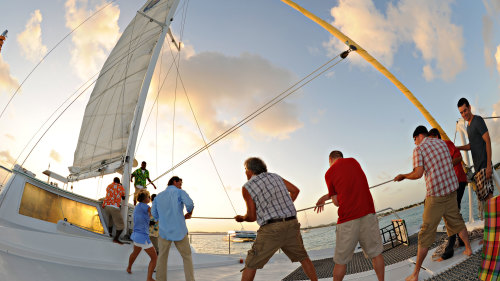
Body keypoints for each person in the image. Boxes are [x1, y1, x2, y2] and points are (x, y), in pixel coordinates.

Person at [394, 125, 472, 281]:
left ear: (418, 137)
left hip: (435, 196)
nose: (415, 143)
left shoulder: (419, 149)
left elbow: (418, 174)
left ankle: (415, 274)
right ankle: (468, 249)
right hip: (451, 191)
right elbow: (450, 162)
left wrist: (403, 175)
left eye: (414, 140)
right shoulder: (442, 143)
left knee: (425, 233)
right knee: (456, 220)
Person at [234, 157, 318, 281]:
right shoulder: (275, 177)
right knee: (303, 257)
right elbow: (295, 191)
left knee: (251, 263)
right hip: (291, 224)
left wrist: (242, 218)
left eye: (245, 169)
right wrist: (284, 207)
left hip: (271, 229)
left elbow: (252, 217)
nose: (245, 172)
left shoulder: (247, 187)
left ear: (250, 170)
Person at [315, 150, 385, 281]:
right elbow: (352, 186)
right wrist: (326, 196)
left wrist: (328, 196)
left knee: (341, 262)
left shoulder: (329, 173)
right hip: (368, 213)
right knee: (376, 254)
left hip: (348, 219)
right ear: (342, 157)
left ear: (330, 160)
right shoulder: (354, 162)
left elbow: (336, 202)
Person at [428, 128, 467, 260]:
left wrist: (446, 165)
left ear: (436, 137)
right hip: (450, 185)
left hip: (458, 180)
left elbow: (458, 157)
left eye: (431, 139)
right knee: (454, 211)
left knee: (451, 213)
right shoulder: (436, 151)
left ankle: (450, 246)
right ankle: (461, 240)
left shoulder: (446, 144)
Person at [152, 176, 195, 281]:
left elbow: (154, 214)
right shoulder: (180, 192)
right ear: (174, 182)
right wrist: (189, 213)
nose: (180, 186)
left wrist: (161, 218)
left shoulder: (158, 197)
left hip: (163, 231)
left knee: (162, 257)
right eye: (180, 184)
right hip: (179, 231)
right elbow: (190, 204)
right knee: (187, 257)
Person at [456, 97, 494, 201]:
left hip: (484, 167)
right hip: (477, 170)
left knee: (490, 202)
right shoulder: (468, 127)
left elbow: (488, 140)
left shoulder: (477, 120)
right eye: (461, 113)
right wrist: (457, 148)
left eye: (465, 110)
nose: (464, 114)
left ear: (469, 107)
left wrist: (488, 167)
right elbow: (471, 146)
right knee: (486, 203)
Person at [127, 190, 157, 281]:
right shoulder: (146, 207)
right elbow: (153, 213)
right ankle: (149, 278)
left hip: (136, 236)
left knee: (135, 253)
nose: (149, 198)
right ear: (145, 199)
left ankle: (129, 267)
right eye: (148, 197)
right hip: (143, 237)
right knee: (154, 258)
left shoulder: (137, 207)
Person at [102, 177, 126, 245]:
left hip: (106, 206)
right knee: (121, 225)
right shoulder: (120, 187)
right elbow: (123, 196)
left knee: (110, 221)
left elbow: (108, 191)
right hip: (114, 207)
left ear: (113, 181)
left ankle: (109, 235)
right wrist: (120, 186)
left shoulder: (109, 186)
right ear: (118, 182)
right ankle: (116, 239)